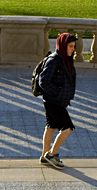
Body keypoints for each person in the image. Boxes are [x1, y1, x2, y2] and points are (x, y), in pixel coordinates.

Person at [38, 33, 78, 170]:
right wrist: (58, 93)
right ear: (63, 46)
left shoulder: (66, 59)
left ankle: (44, 156)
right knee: (68, 129)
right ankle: (52, 154)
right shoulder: (54, 60)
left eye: (74, 46)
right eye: (71, 46)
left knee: (51, 127)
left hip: (57, 101)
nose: (73, 49)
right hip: (53, 101)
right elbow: (43, 81)